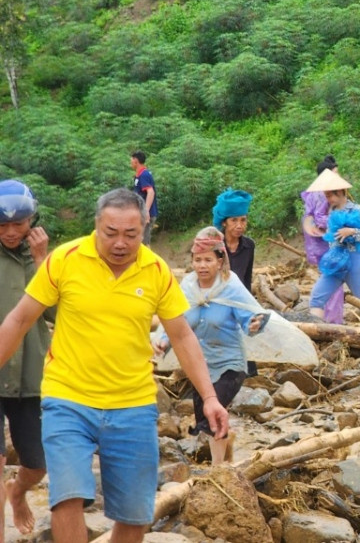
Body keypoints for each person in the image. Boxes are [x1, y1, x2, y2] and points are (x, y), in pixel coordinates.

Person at [0, 188, 228, 543]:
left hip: (133, 404)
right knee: (67, 498)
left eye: (131, 234)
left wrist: (210, 397)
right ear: (96, 226)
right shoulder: (65, 259)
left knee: (134, 516)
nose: (120, 243)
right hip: (68, 398)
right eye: (111, 233)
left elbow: (182, 336)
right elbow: (19, 320)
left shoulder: (156, 270)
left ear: (144, 228)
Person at [156, 227, 266, 466]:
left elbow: (249, 316)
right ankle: (225, 452)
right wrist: (163, 341)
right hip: (199, 365)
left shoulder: (231, 286)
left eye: (208, 260)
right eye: (197, 260)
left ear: (220, 261)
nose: (202, 265)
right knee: (207, 418)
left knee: (213, 414)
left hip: (230, 363)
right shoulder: (187, 287)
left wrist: (254, 324)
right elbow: (175, 319)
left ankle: (218, 469)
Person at [0, 181, 50, 538]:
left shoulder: (49, 259)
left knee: (37, 463)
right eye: (2, 225)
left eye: (19, 223)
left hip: (28, 376)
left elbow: (61, 314)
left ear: (33, 219)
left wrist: (42, 261)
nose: (11, 232)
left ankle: (16, 493)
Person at [306, 169, 360, 326]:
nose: (328, 199)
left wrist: (352, 231)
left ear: (340, 192)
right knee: (317, 297)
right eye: (326, 196)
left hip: (354, 260)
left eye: (330, 195)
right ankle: (315, 334)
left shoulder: (356, 210)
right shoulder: (331, 212)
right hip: (335, 262)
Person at [301, 156, 345, 324]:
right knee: (334, 281)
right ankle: (333, 322)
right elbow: (320, 218)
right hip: (324, 243)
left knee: (328, 279)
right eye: (335, 173)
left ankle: (326, 318)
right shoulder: (321, 193)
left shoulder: (314, 192)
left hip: (317, 244)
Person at [212, 189, 255, 290]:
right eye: (234, 220)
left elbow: (247, 279)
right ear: (224, 222)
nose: (239, 226)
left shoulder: (249, 246)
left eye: (243, 220)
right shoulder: (213, 246)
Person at [129, 150, 156, 245]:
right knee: (140, 242)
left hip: (145, 214)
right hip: (140, 213)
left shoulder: (144, 175)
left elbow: (150, 192)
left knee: (144, 244)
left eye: (131, 160)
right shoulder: (139, 175)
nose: (130, 162)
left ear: (136, 161)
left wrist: (146, 211)